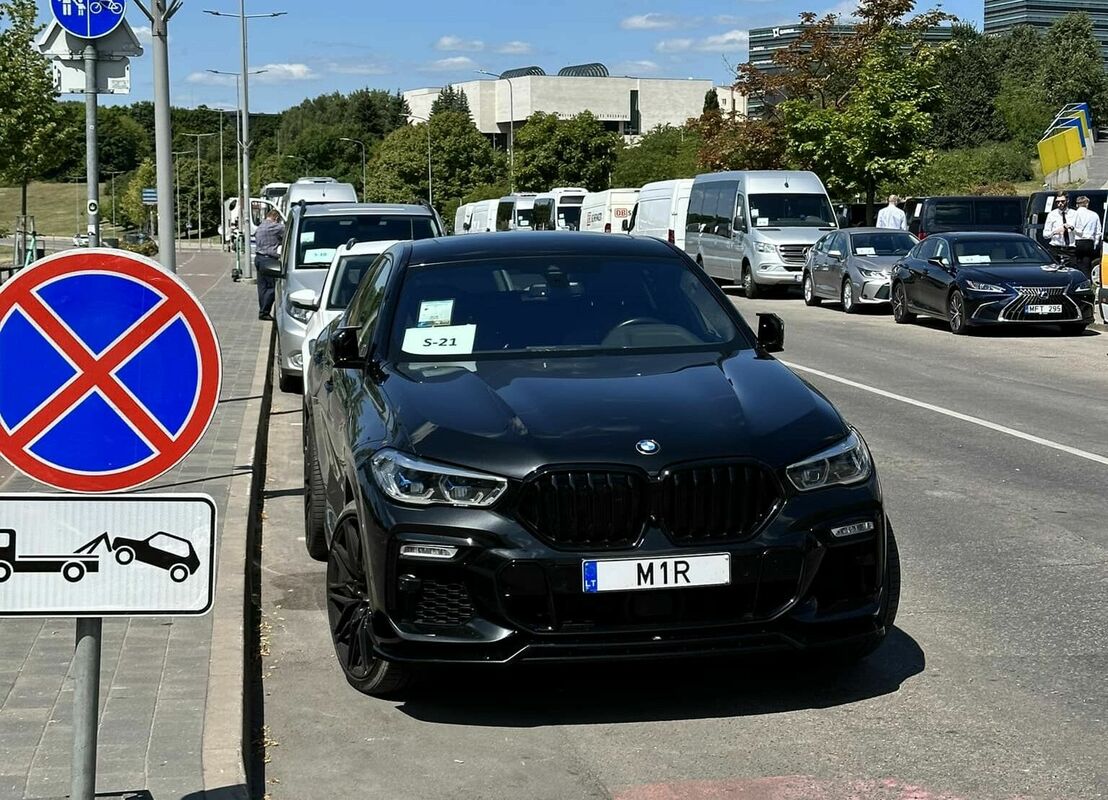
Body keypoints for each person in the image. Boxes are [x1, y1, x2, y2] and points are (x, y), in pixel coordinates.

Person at [254, 209, 284, 321]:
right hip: (269, 260)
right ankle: (264, 312)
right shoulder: (275, 227)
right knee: (271, 287)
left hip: (259, 258)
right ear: (276, 218)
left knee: (262, 287)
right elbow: (289, 232)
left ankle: (262, 310)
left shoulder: (260, 227)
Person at [1071, 195, 1102, 279]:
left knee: (1075, 263)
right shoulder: (1094, 215)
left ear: (1077, 204)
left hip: (1077, 241)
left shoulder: (1073, 214)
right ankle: (1087, 280)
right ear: (1087, 204)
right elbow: (1098, 231)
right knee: (1087, 264)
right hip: (1089, 242)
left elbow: (1071, 228)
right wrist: (1095, 244)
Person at [1044, 195, 1076, 266]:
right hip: (1056, 248)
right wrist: (1055, 232)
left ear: (1067, 201)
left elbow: (1081, 233)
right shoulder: (1052, 214)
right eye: (1057, 202)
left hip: (1070, 248)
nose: (1060, 203)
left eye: (1062, 201)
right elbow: (1045, 234)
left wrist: (1072, 228)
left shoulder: (1074, 214)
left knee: (1072, 270)